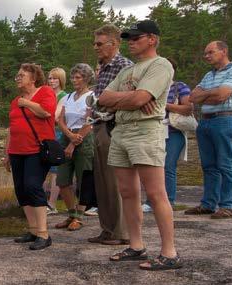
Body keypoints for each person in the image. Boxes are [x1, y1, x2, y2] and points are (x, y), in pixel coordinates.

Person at [98, 20, 181, 270]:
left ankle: (169, 252)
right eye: (129, 39)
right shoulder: (126, 71)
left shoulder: (160, 65)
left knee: (155, 193)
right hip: (121, 131)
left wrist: (132, 98)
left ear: (152, 39)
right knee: (127, 192)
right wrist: (131, 98)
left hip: (146, 130)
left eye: (136, 38)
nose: (131, 42)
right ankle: (136, 246)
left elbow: (142, 98)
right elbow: (102, 98)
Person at [186, 41, 232, 219]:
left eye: (210, 52)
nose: (206, 56)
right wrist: (212, 94)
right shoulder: (208, 75)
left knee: (226, 163)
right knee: (209, 166)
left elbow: (223, 95)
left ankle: (227, 205)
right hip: (205, 122)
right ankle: (208, 204)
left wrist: (209, 95)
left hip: (224, 119)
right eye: (205, 53)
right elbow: (193, 96)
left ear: (224, 51)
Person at [87, 24, 134, 246]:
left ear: (114, 44)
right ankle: (107, 229)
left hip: (113, 126)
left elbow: (128, 97)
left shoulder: (125, 66)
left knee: (115, 182)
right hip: (98, 125)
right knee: (102, 182)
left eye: (99, 43)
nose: (95, 47)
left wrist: (105, 105)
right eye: (95, 43)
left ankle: (121, 232)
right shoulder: (103, 67)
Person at [7, 63, 56, 250]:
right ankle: (34, 230)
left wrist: (26, 103)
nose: (18, 78)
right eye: (17, 75)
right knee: (21, 189)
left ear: (33, 78)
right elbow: (12, 128)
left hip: (37, 150)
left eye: (22, 75)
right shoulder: (15, 100)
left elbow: (46, 113)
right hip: (16, 151)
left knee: (33, 186)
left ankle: (44, 234)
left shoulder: (45, 92)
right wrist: (7, 153)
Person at [142, 60, 192, 212]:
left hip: (173, 132)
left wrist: (164, 105)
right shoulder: (151, 88)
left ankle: (168, 201)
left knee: (168, 166)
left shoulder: (180, 87)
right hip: (153, 131)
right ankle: (151, 201)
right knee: (151, 166)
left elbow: (188, 108)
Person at [54, 64, 97, 231]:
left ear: (86, 78)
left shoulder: (92, 96)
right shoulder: (69, 96)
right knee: (63, 179)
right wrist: (68, 135)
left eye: (78, 77)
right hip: (68, 135)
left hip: (84, 137)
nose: (75, 80)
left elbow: (90, 120)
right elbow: (61, 119)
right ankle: (71, 213)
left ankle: (79, 216)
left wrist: (74, 141)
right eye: (73, 77)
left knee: (83, 177)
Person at [45, 67, 68, 214]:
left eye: (55, 78)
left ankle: (52, 204)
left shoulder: (64, 96)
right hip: (46, 133)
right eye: (50, 78)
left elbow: (55, 116)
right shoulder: (46, 94)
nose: (52, 81)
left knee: (55, 170)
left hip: (58, 134)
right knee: (43, 168)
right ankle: (42, 202)